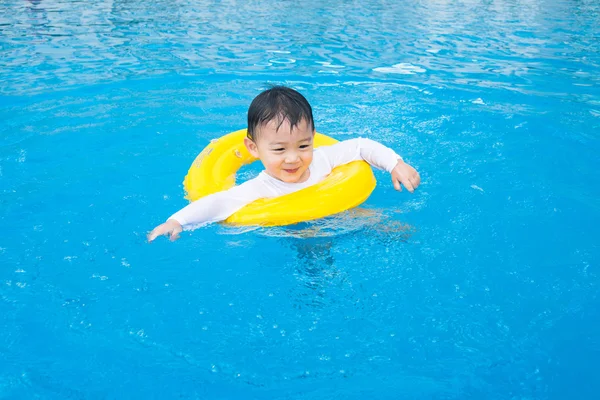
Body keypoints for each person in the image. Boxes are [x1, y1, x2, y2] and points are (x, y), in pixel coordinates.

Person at [148, 86, 420, 242]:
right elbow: (218, 202)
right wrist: (178, 220)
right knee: (311, 247)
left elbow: (360, 145)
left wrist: (395, 163)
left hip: (336, 212)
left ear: (314, 139)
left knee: (379, 222)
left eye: (303, 145)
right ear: (253, 149)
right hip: (291, 228)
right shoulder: (259, 189)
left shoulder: (323, 159)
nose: (293, 158)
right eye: (279, 149)